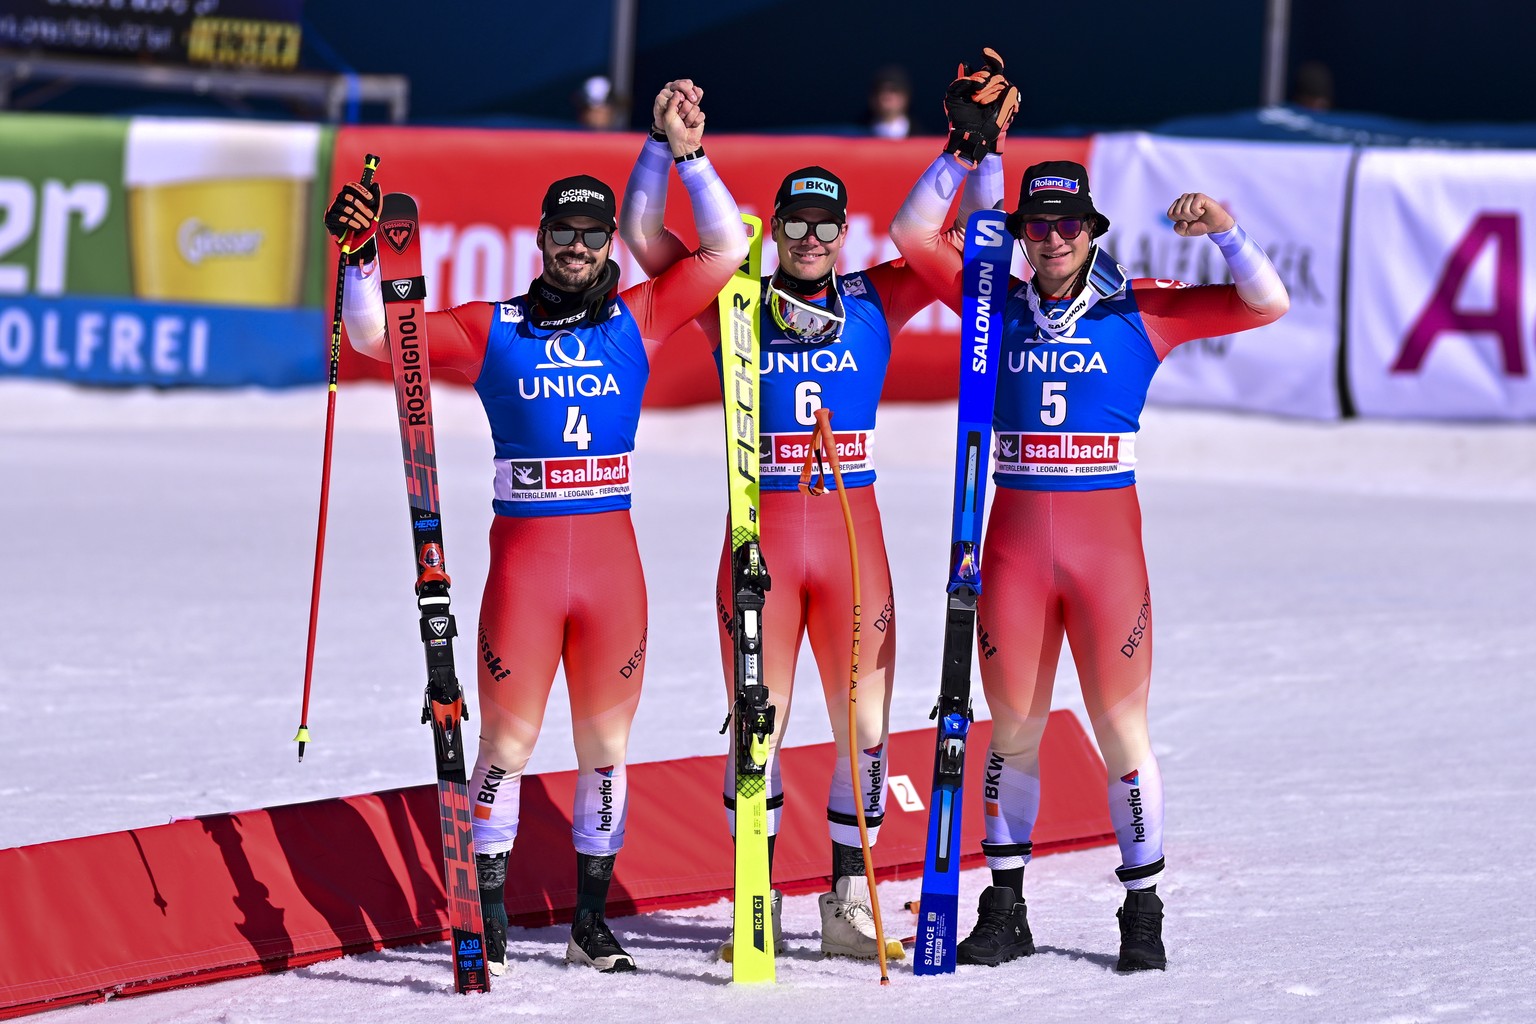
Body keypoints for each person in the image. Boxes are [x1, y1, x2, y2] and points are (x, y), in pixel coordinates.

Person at [323, 83, 745, 975]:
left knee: (607, 753)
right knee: (504, 752)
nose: (584, 247)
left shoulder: (641, 315)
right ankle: (489, 907)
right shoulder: (493, 329)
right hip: (522, 567)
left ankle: (592, 917)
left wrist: (679, 150)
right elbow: (373, 338)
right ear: (542, 240)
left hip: (611, 570)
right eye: (566, 233)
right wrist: (359, 254)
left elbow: (728, 247)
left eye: (596, 235)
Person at [891, 61, 1290, 973]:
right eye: (1040, 224)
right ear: (1024, 234)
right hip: (1018, 547)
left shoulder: (1139, 309)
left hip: (1107, 552)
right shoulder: (994, 301)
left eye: (1070, 223)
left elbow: (1267, 303)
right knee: (1014, 730)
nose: (1056, 237)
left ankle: (1141, 913)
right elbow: (914, 231)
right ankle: (1006, 906)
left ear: (1092, 230)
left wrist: (1226, 232)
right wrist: (964, 151)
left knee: (1121, 732)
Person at [619, 75, 997, 961]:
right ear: (773, 229)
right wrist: (659, 146)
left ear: (844, 235)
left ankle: (847, 901)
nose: (812, 239)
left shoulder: (873, 297)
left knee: (863, 729)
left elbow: (958, 244)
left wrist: (966, 152)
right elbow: (641, 236)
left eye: (828, 226)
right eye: (795, 223)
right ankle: (756, 897)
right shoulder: (734, 298)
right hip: (761, 546)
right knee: (760, 723)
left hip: (852, 538)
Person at [866, 65, 913, 139]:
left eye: (894, 90)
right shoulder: (854, 136)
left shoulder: (922, 139)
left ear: (905, 97)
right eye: (880, 90)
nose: (886, 96)